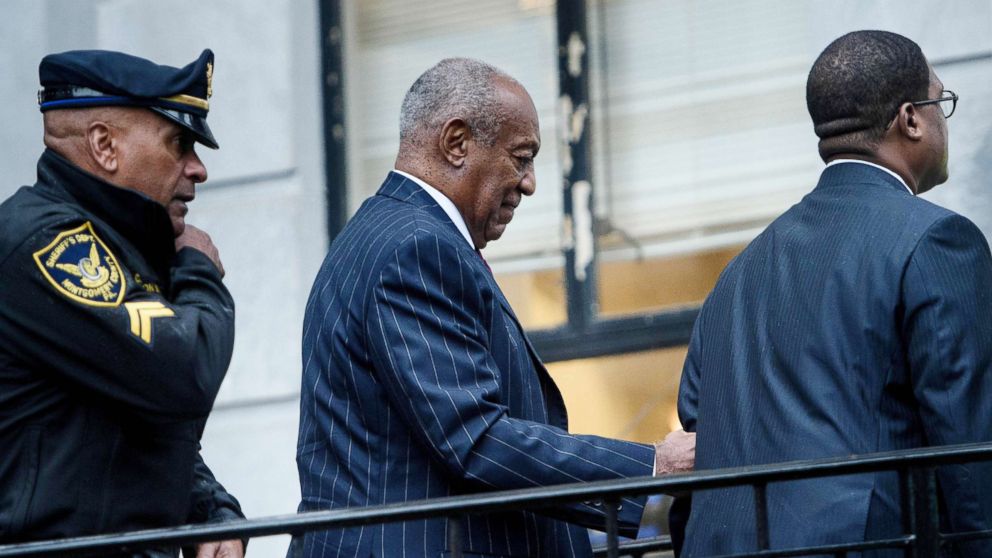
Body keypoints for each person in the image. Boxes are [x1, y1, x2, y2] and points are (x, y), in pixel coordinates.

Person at [293, 57, 695, 558]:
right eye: (521, 157)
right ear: (456, 143)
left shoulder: (395, 236)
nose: (529, 184)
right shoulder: (415, 247)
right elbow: (476, 440)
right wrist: (654, 464)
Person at [675, 30, 992, 557]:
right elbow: (970, 443)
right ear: (911, 118)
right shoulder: (937, 240)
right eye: (942, 103)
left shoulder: (737, 274)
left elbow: (699, 428)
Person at [0, 49, 245, 558]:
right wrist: (198, 270)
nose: (197, 169)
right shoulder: (51, 246)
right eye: (179, 143)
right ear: (104, 145)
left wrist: (207, 509)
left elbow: (131, 418)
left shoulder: (113, 243)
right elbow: (185, 371)